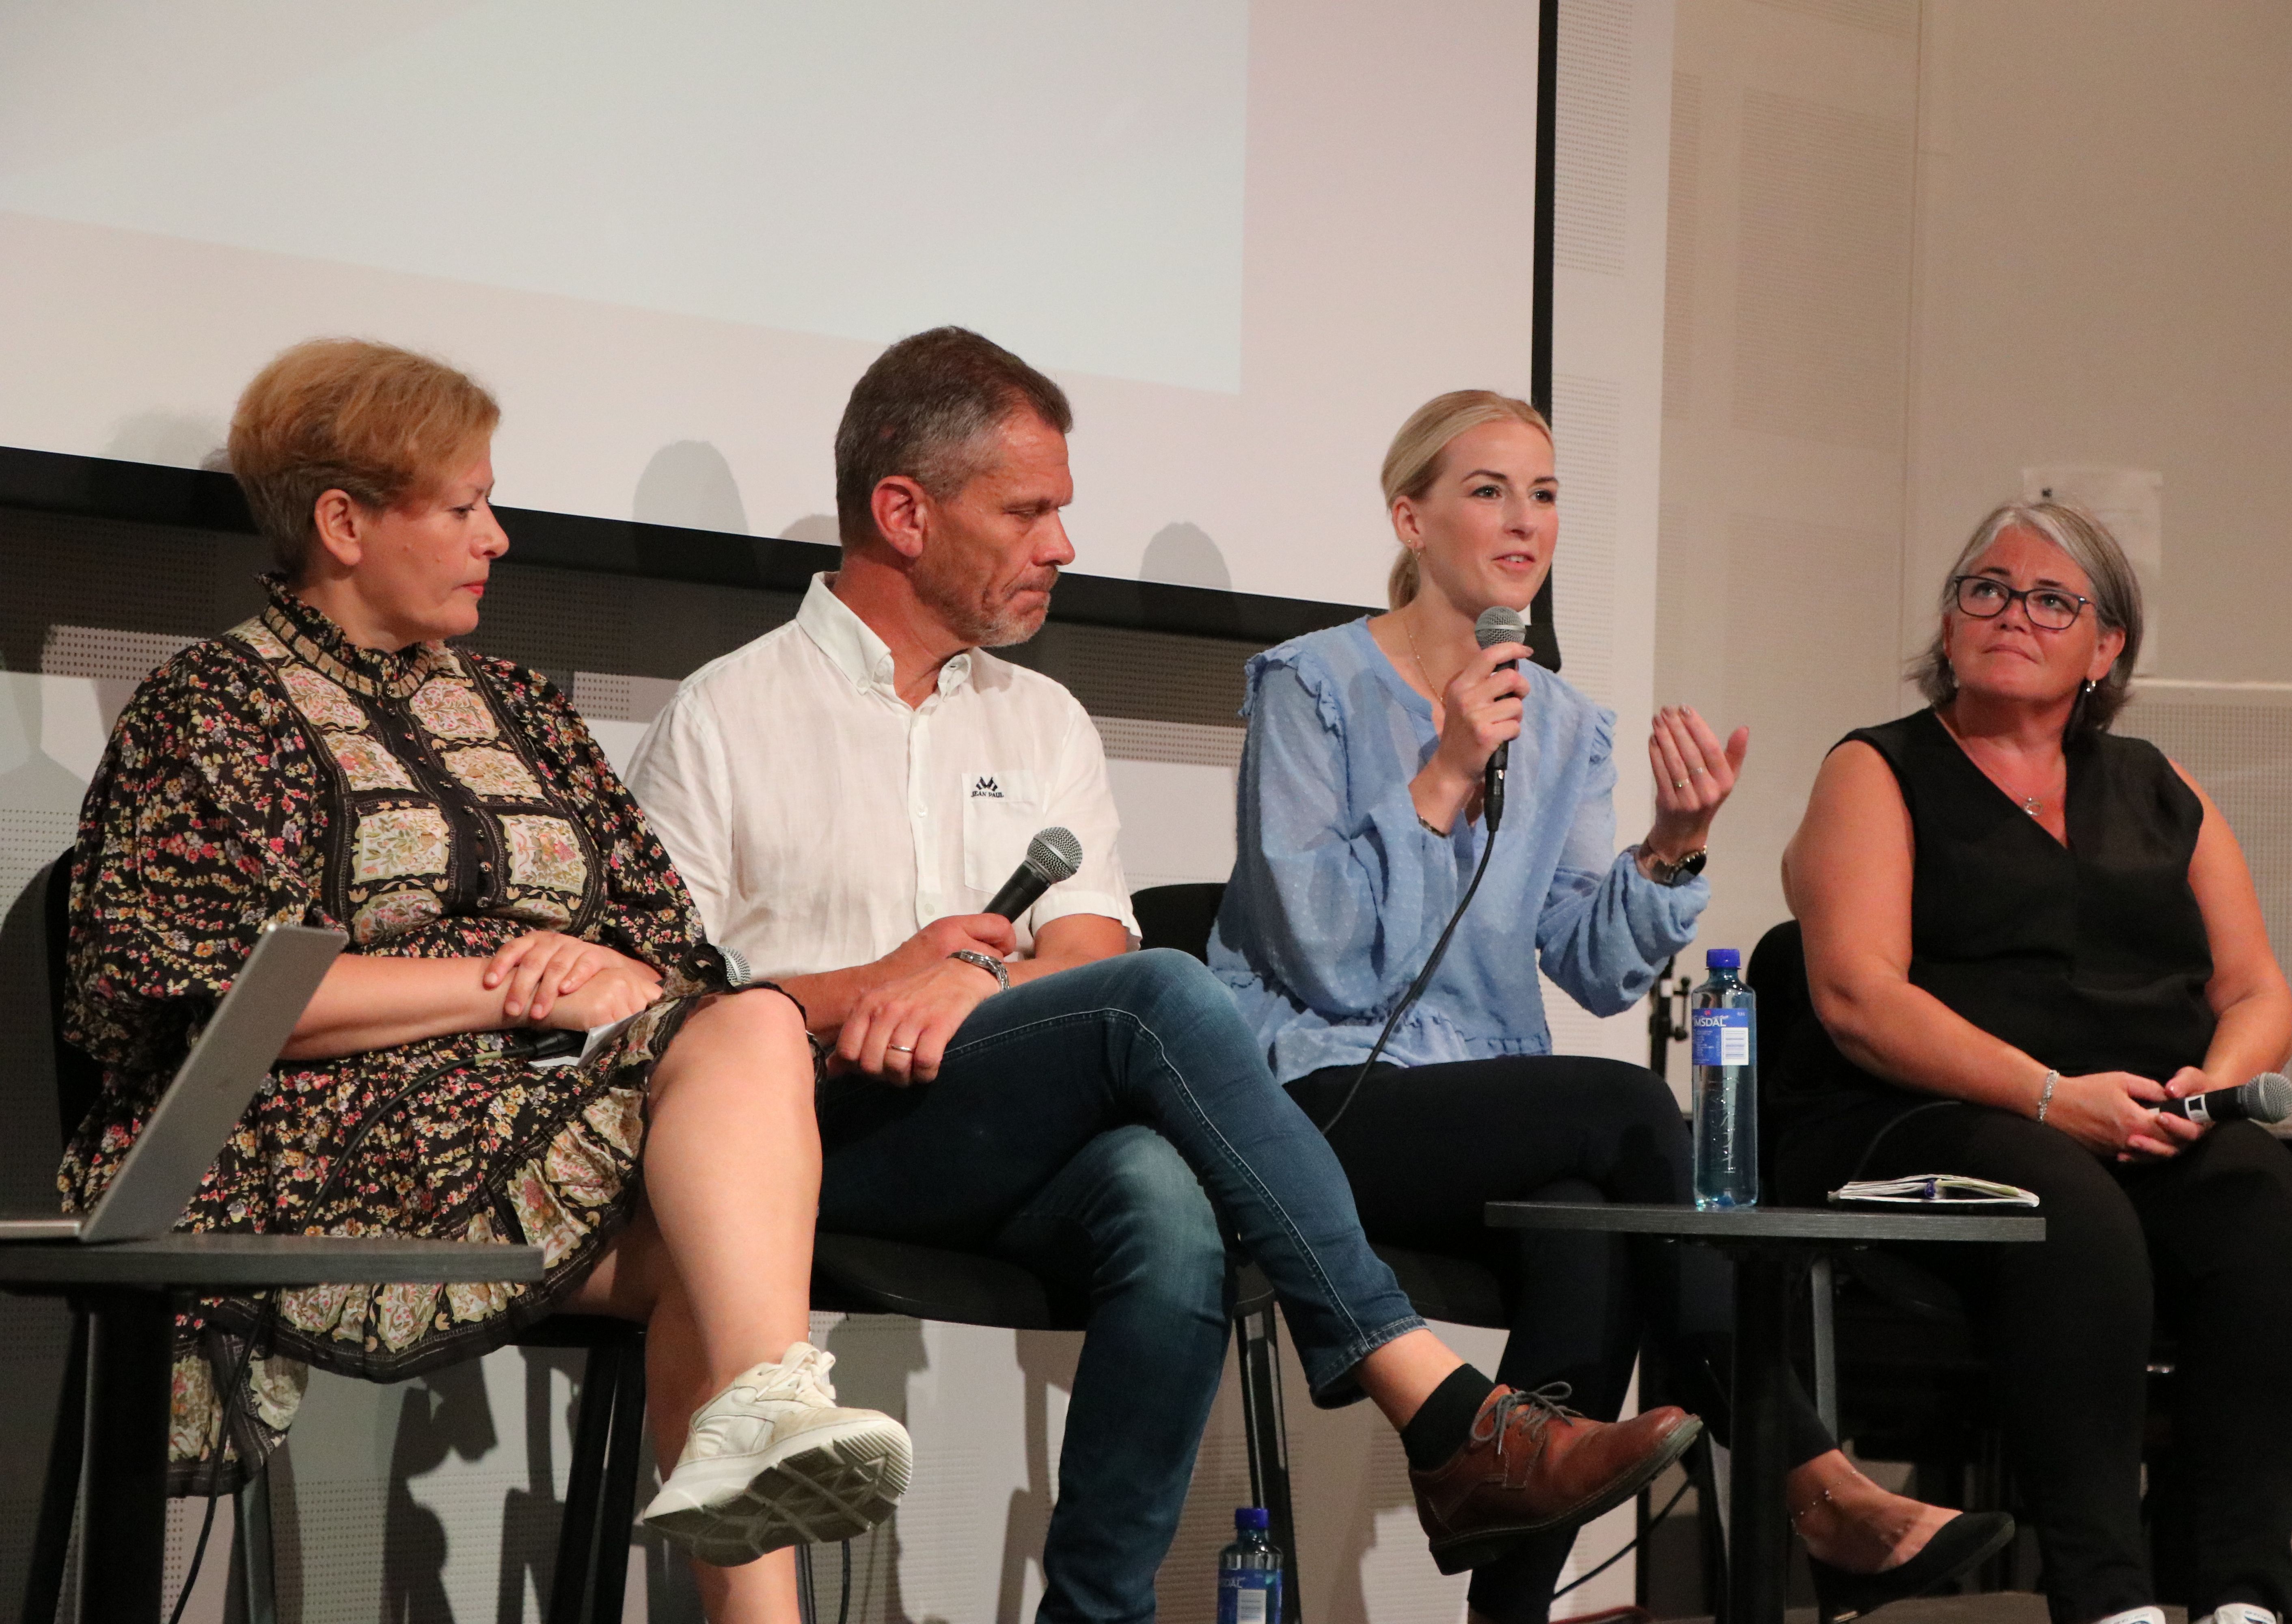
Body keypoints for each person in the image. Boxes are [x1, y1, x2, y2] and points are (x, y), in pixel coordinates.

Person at [625, 327, 1708, 1624]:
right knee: (1172, 994)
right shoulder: (726, 715)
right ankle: (1440, 1409)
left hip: (998, 1124)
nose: (1063, 545)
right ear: (905, 514)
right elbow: (653, 1006)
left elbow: (1087, 944)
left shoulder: (1042, 719)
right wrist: (877, 985)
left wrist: (976, 988)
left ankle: (1099, 1614)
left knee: (1169, 1199)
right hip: (814, 1139)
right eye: (1028, 512)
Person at [60, 339, 909, 1624]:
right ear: (344, 524)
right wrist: (509, 987)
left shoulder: (523, 706)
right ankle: (766, 1435)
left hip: (556, 1113)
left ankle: (762, 1420)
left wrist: (612, 967)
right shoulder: (213, 708)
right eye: (463, 508)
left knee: (743, 1052)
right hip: (318, 1141)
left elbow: (669, 963)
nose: (497, 538)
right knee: (726, 1231)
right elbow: (207, 1002)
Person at [1208, 390, 2013, 1624]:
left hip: (1475, 1105)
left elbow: (1594, 967)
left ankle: (1512, 1613)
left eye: (1544, 495)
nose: (1524, 521)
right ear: (1411, 518)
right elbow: (1322, 956)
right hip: (1318, 1095)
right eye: (1488, 492)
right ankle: (1810, 1473)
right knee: (1631, 1110)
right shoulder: (1310, 685)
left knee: (1589, 1225)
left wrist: (1671, 847)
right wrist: (1443, 774)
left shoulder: (1565, 722)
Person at [1773, 500, 2292, 1624]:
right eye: (1986, 590)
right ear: (1949, 624)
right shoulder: (1878, 770)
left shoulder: (2159, 786)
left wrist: (2211, 1083)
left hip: (2137, 1116)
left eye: (2050, 601)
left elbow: (2256, 991)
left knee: (2273, 1209)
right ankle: (2106, 1596)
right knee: (2066, 1207)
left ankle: (2240, 1597)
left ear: (2106, 647)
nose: (2012, 616)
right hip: (1928, 1111)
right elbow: (1858, 999)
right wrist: (2048, 1096)